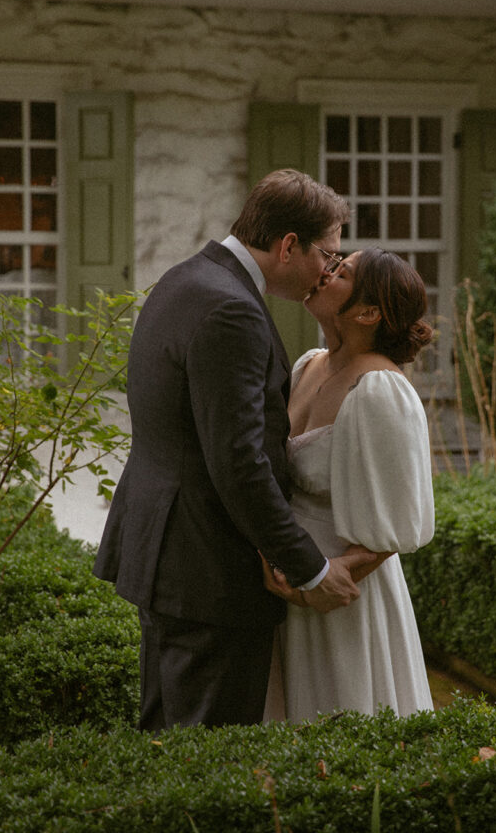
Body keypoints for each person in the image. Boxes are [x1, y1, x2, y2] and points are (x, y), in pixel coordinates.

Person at [93, 169, 377, 731]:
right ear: (288, 245)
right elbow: (239, 462)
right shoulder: (232, 310)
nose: (328, 271)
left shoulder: (185, 278)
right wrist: (311, 570)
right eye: (327, 254)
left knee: (165, 744)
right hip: (208, 573)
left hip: (169, 554)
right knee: (203, 763)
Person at [262, 248, 436, 722]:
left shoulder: (382, 390)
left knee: (342, 717)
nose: (325, 272)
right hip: (288, 576)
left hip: (342, 599)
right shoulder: (306, 365)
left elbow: (398, 525)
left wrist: (320, 584)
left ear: (368, 312)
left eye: (342, 272)